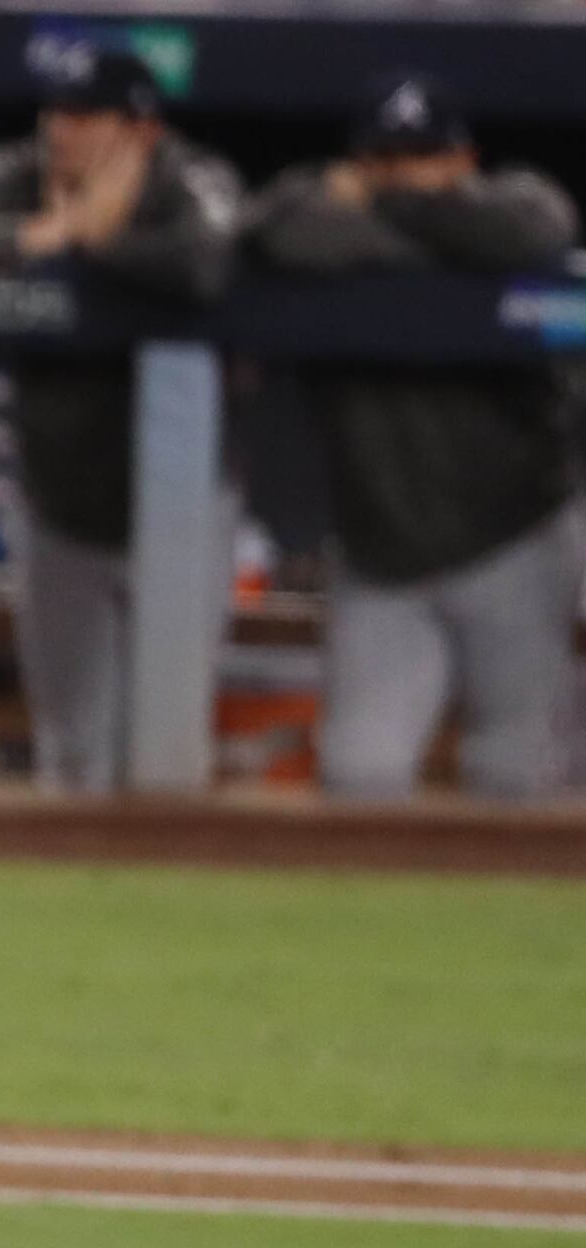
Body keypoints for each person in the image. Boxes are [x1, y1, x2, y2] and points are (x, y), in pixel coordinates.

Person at [0, 48, 241, 793]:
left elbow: (207, 262)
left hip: (179, 513)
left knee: (166, 754)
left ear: (142, 130)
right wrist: (31, 236)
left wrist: (94, 237)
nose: (61, 130)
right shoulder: (16, 173)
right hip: (59, 503)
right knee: (71, 753)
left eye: (85, 117)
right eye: (56, 112)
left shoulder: (188, 176)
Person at [245, 76, 581, 802]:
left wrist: (389, 207)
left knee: (517, 775)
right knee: (359, 773)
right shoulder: (313, 200)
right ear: (357, 164)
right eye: (386, 161)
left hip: (515, 542)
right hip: (383, 563)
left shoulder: (519, 198)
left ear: (465, 158)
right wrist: (430, 230)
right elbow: (275, 226)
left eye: (425, 157)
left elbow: (535, 232)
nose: (406, 173)